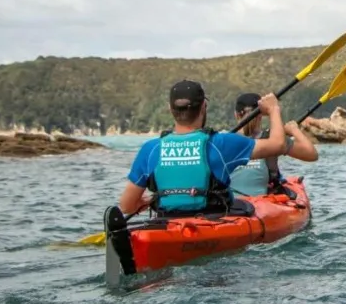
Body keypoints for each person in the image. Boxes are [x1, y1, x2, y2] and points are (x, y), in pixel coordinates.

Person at [116, 80, 288, 216]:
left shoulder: (151, 149)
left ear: (170, 109)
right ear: (204, 107)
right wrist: (273, 109)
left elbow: (126, 206)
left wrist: (148, 201)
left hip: (167, 222)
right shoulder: (222, 143)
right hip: (214, 221)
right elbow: (278, 144)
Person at [228, 92, 319, 197]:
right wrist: (294, 130)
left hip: (228, 205)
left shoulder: (221, 139)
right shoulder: (273, 140)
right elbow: (312, 155)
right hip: (262, 205)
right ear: (262, 115)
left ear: (236, 114)